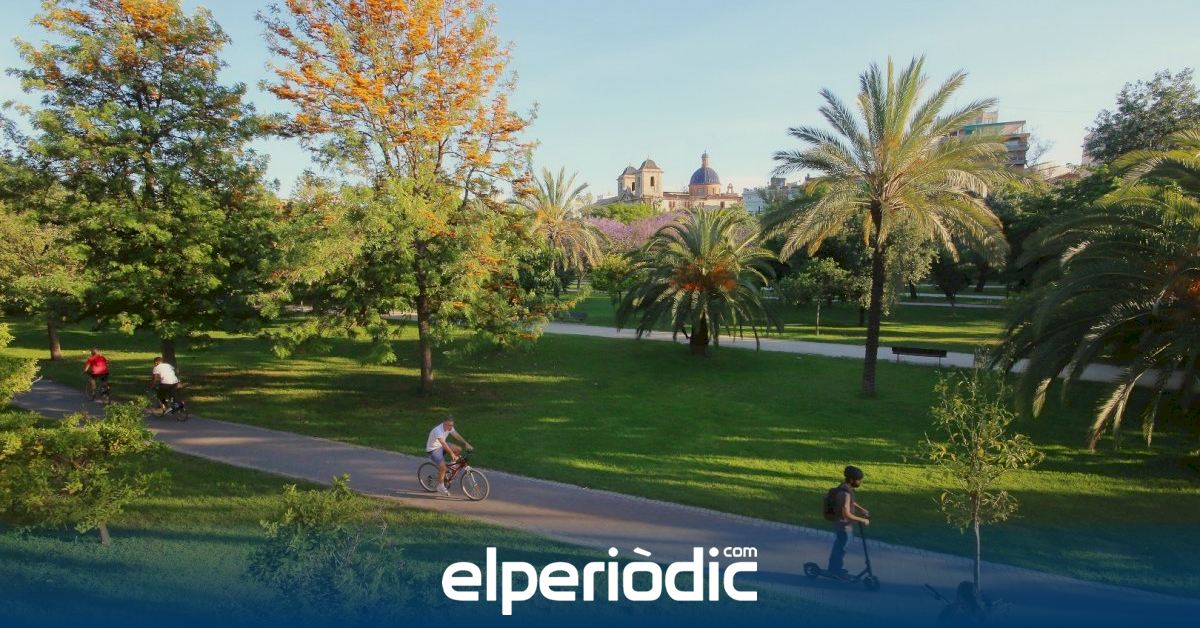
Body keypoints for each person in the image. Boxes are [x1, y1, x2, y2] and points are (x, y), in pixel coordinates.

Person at [827, 465, 870, 578]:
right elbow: (846, 514)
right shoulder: (845, 493)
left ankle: (835, 568)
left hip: (843, 525)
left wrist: (861, 509)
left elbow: (851, 502)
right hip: (843, 526)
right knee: (841, 548)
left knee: (839, 546)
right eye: (858, 480)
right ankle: (834, 570)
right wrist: (862, 520)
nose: (860, 482)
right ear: (851, 479)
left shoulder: (845, 487)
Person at [425, 416, 474, 495]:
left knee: (458, 449)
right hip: (433, 449)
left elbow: (456, 435)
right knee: (443, 468)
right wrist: (452, 454)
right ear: (444, 423)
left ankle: (452, 468)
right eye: (449, 425)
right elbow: (443, 444)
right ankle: (440, 486)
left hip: (441, 446)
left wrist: (466, 443)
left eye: (452, 425)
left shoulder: (449, 427)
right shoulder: (438, 430)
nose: (451, 427)